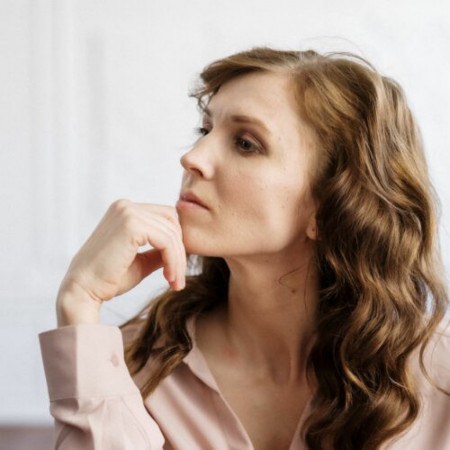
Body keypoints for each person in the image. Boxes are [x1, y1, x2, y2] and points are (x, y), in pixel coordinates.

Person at [39, 47, 450, 450]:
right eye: (205, 131)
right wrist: (79, 302)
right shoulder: (135, 362)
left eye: (246, 143)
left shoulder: (438, 378)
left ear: (331, 207)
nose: (193, 158)